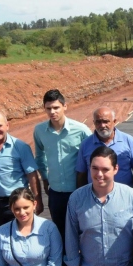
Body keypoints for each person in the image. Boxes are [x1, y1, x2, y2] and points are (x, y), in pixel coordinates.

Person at [33, 89, 92, 245]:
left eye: (56, 107)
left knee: (82, 230)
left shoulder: (81, 130)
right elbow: (40, 157)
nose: (52, 112)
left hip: (78, 191)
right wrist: (45, 179)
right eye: (48, 108)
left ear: (65, 106)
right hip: (56, 192)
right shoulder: (40, 131)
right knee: (60, 231)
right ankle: (65, 259)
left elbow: (93, 158)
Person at [76, 106, 133, 189]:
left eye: (106, 121)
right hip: (95, 194)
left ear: (114, 121)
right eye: (98, 122)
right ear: (94, 122)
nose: (102, 125)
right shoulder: (86, 144)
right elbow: (81, 173)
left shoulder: (128, 140)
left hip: (123, 194)